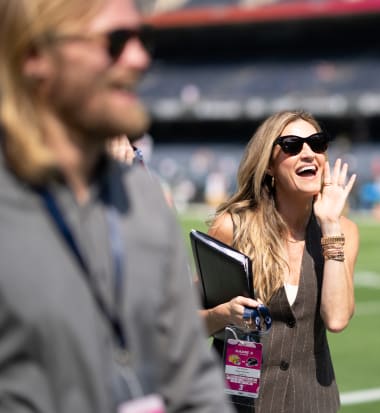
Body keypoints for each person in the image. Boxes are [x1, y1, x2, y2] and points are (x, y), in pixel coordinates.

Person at [0, 1, 233, 412]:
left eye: (143, 39)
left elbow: (193, 378)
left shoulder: (143, 196)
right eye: (115, 41)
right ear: (35, 55)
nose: (140, 58)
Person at [203, 110, 359, 412]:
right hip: (236, 402)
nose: (308, 153)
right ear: (270, 164)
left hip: (312, 401)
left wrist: (329, 225)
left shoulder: (344, 231)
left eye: (317, 143)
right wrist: (223, 313)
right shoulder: (231, 228)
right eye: (291, 145)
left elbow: (337, 319)